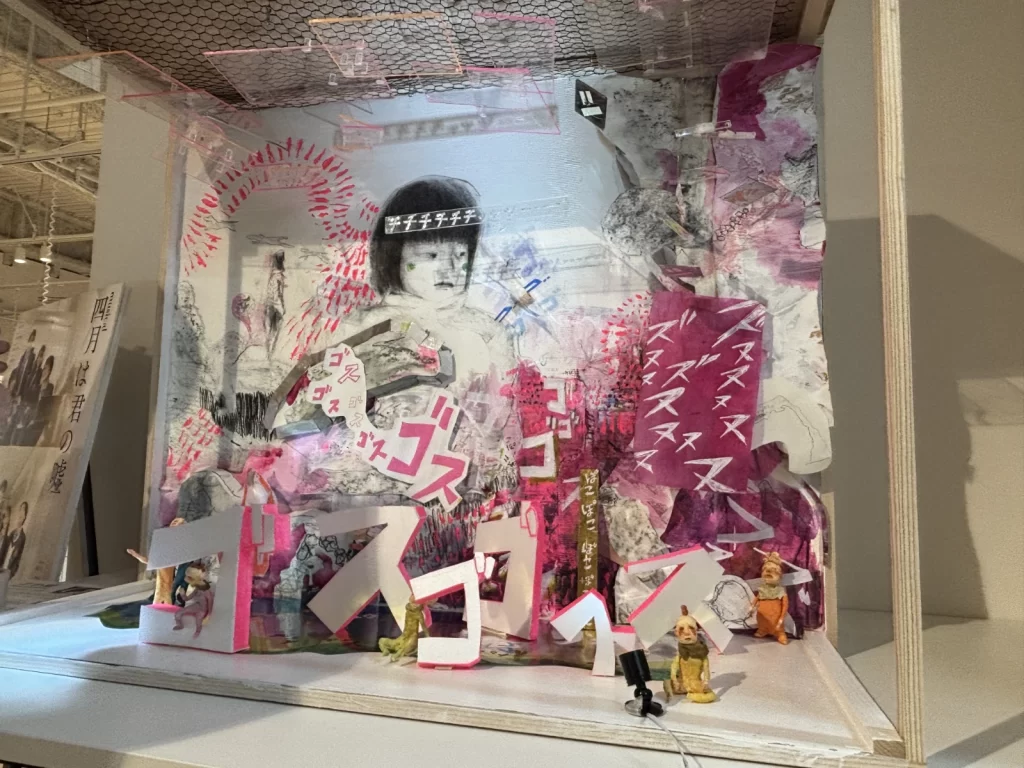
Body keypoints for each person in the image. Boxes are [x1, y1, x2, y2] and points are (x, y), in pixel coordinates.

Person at [3, 501, 28, 577]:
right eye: (21, 510)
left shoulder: (22, 537)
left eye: (23, 511)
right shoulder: (11, 534)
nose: (21, 514)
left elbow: (18, 557)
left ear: (25, 516)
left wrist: (12, 571)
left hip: (9, 571)